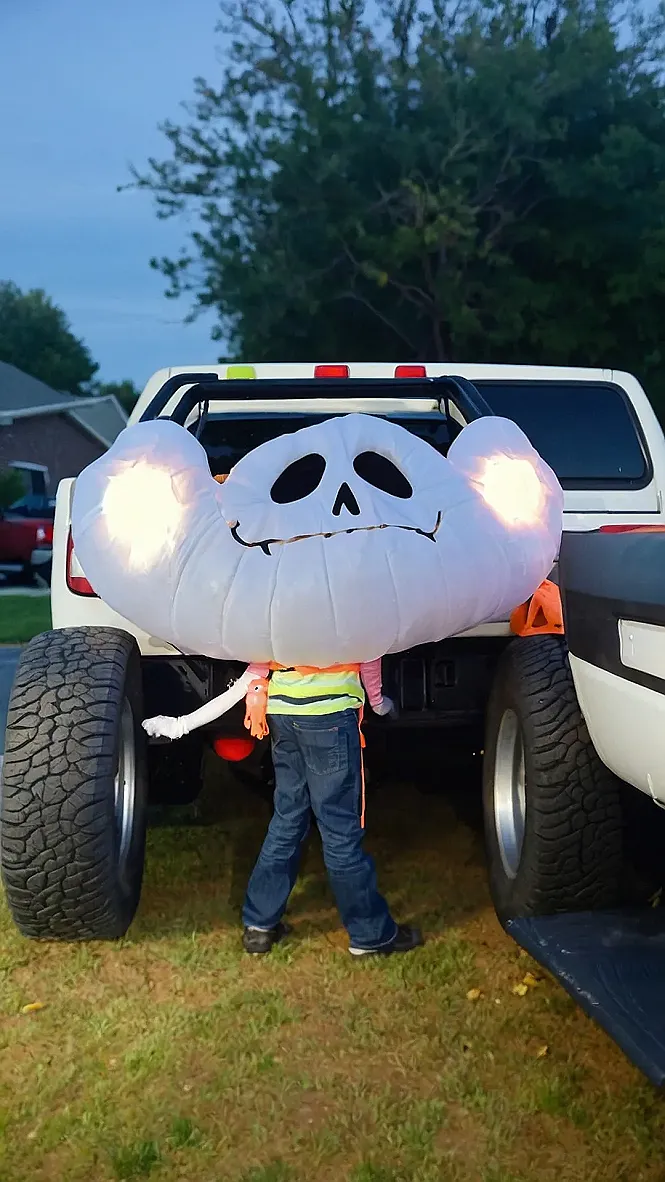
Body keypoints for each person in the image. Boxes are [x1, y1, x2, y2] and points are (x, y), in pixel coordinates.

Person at [240, 658, 424, 957]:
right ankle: (370, 935)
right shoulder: (350, 609)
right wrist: (379, 703)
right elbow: (370, 649)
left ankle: (259, 926)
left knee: (287, 818)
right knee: (340, 830)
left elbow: (259, 652)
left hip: (282, 709)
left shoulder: (279, 608)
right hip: (329, 716)